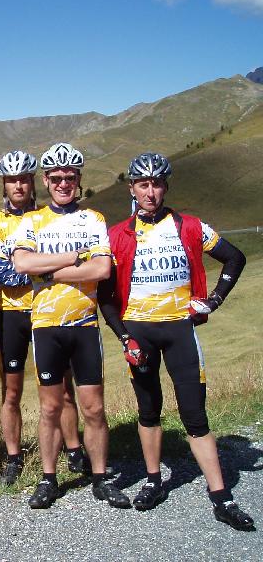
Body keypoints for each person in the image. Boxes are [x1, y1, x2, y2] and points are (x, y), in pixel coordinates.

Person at [98, 152, 254, 530]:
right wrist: (124, 338)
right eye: (143, 184)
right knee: (149, 409)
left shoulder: (190, 226)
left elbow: (235, 258)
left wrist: (213, 300)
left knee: (195, 415)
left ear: (165, 186)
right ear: (132, 188)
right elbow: (105, 297)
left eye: (157, 184)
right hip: (139, 331)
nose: (150, 192)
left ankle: (221, 496)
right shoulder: (117, 234)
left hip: (181, 329)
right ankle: (153, 481)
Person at [12, 142, 130, 509]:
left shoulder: (93, 219)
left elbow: (102, 269)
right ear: (45, 180)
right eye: (57, 178)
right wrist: (75, 257)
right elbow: (21, 265)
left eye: (70, 177)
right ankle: (49, 479)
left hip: (84, 326)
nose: (63, 183)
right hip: (45, 325)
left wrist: (48, 268)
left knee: (93, 408)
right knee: (49, 408)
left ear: (78, 180)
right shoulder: (31, 220)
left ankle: (99, 477)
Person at [0, 150, 89, 486]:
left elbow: (70, 264)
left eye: (24, 179)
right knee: (11, 392)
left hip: (51, 310)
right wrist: (46, 267)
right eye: (12, 179)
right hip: (11, 315)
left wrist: (36, 267)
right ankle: (14, 457)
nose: (18, 185)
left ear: (34, 182)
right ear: (4, 183)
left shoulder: (51, 217)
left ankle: (73, 448)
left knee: (64, 389)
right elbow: (2, 271)